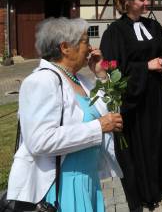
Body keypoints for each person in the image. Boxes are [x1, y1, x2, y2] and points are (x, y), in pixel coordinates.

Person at [6, 17, 123, 211]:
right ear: (65, 47)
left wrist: (101, 76)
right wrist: (98, 127)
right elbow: (39, 141)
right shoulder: (41, 82)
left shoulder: (81, 80)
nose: (90, 47)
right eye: (85, 41)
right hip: (60, 186)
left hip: (87, 181)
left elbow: (112, 114)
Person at [100, 0, 162, 211]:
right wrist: (145, 66)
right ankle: (147, 189)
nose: (146, 3)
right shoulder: (114, 32)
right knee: (143, 143)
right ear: (128, 3)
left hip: (158, 94)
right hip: (134, 98)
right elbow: (112, 69)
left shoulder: (153, 25)